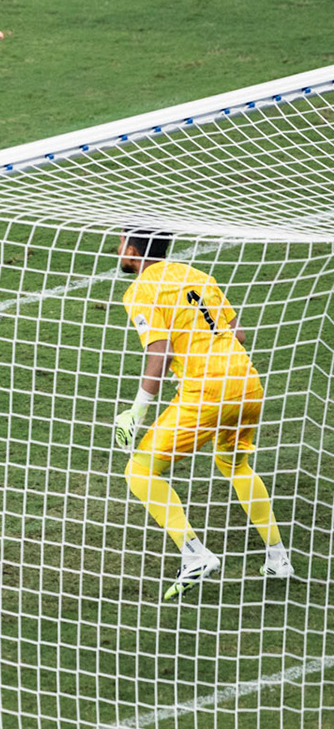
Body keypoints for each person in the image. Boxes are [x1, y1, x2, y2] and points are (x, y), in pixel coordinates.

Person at [111, 231, 295, 600]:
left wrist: (137, 410)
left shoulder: (141, 290)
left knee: (140, 471)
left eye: (120, 244)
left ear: (131, 250)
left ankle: (194, 554)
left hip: (207, 393)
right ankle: (278, 557)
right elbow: (238, 334)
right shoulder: (197, 275)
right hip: (247, 383)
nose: (118, 251)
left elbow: (161, 353)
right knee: (234, 465)